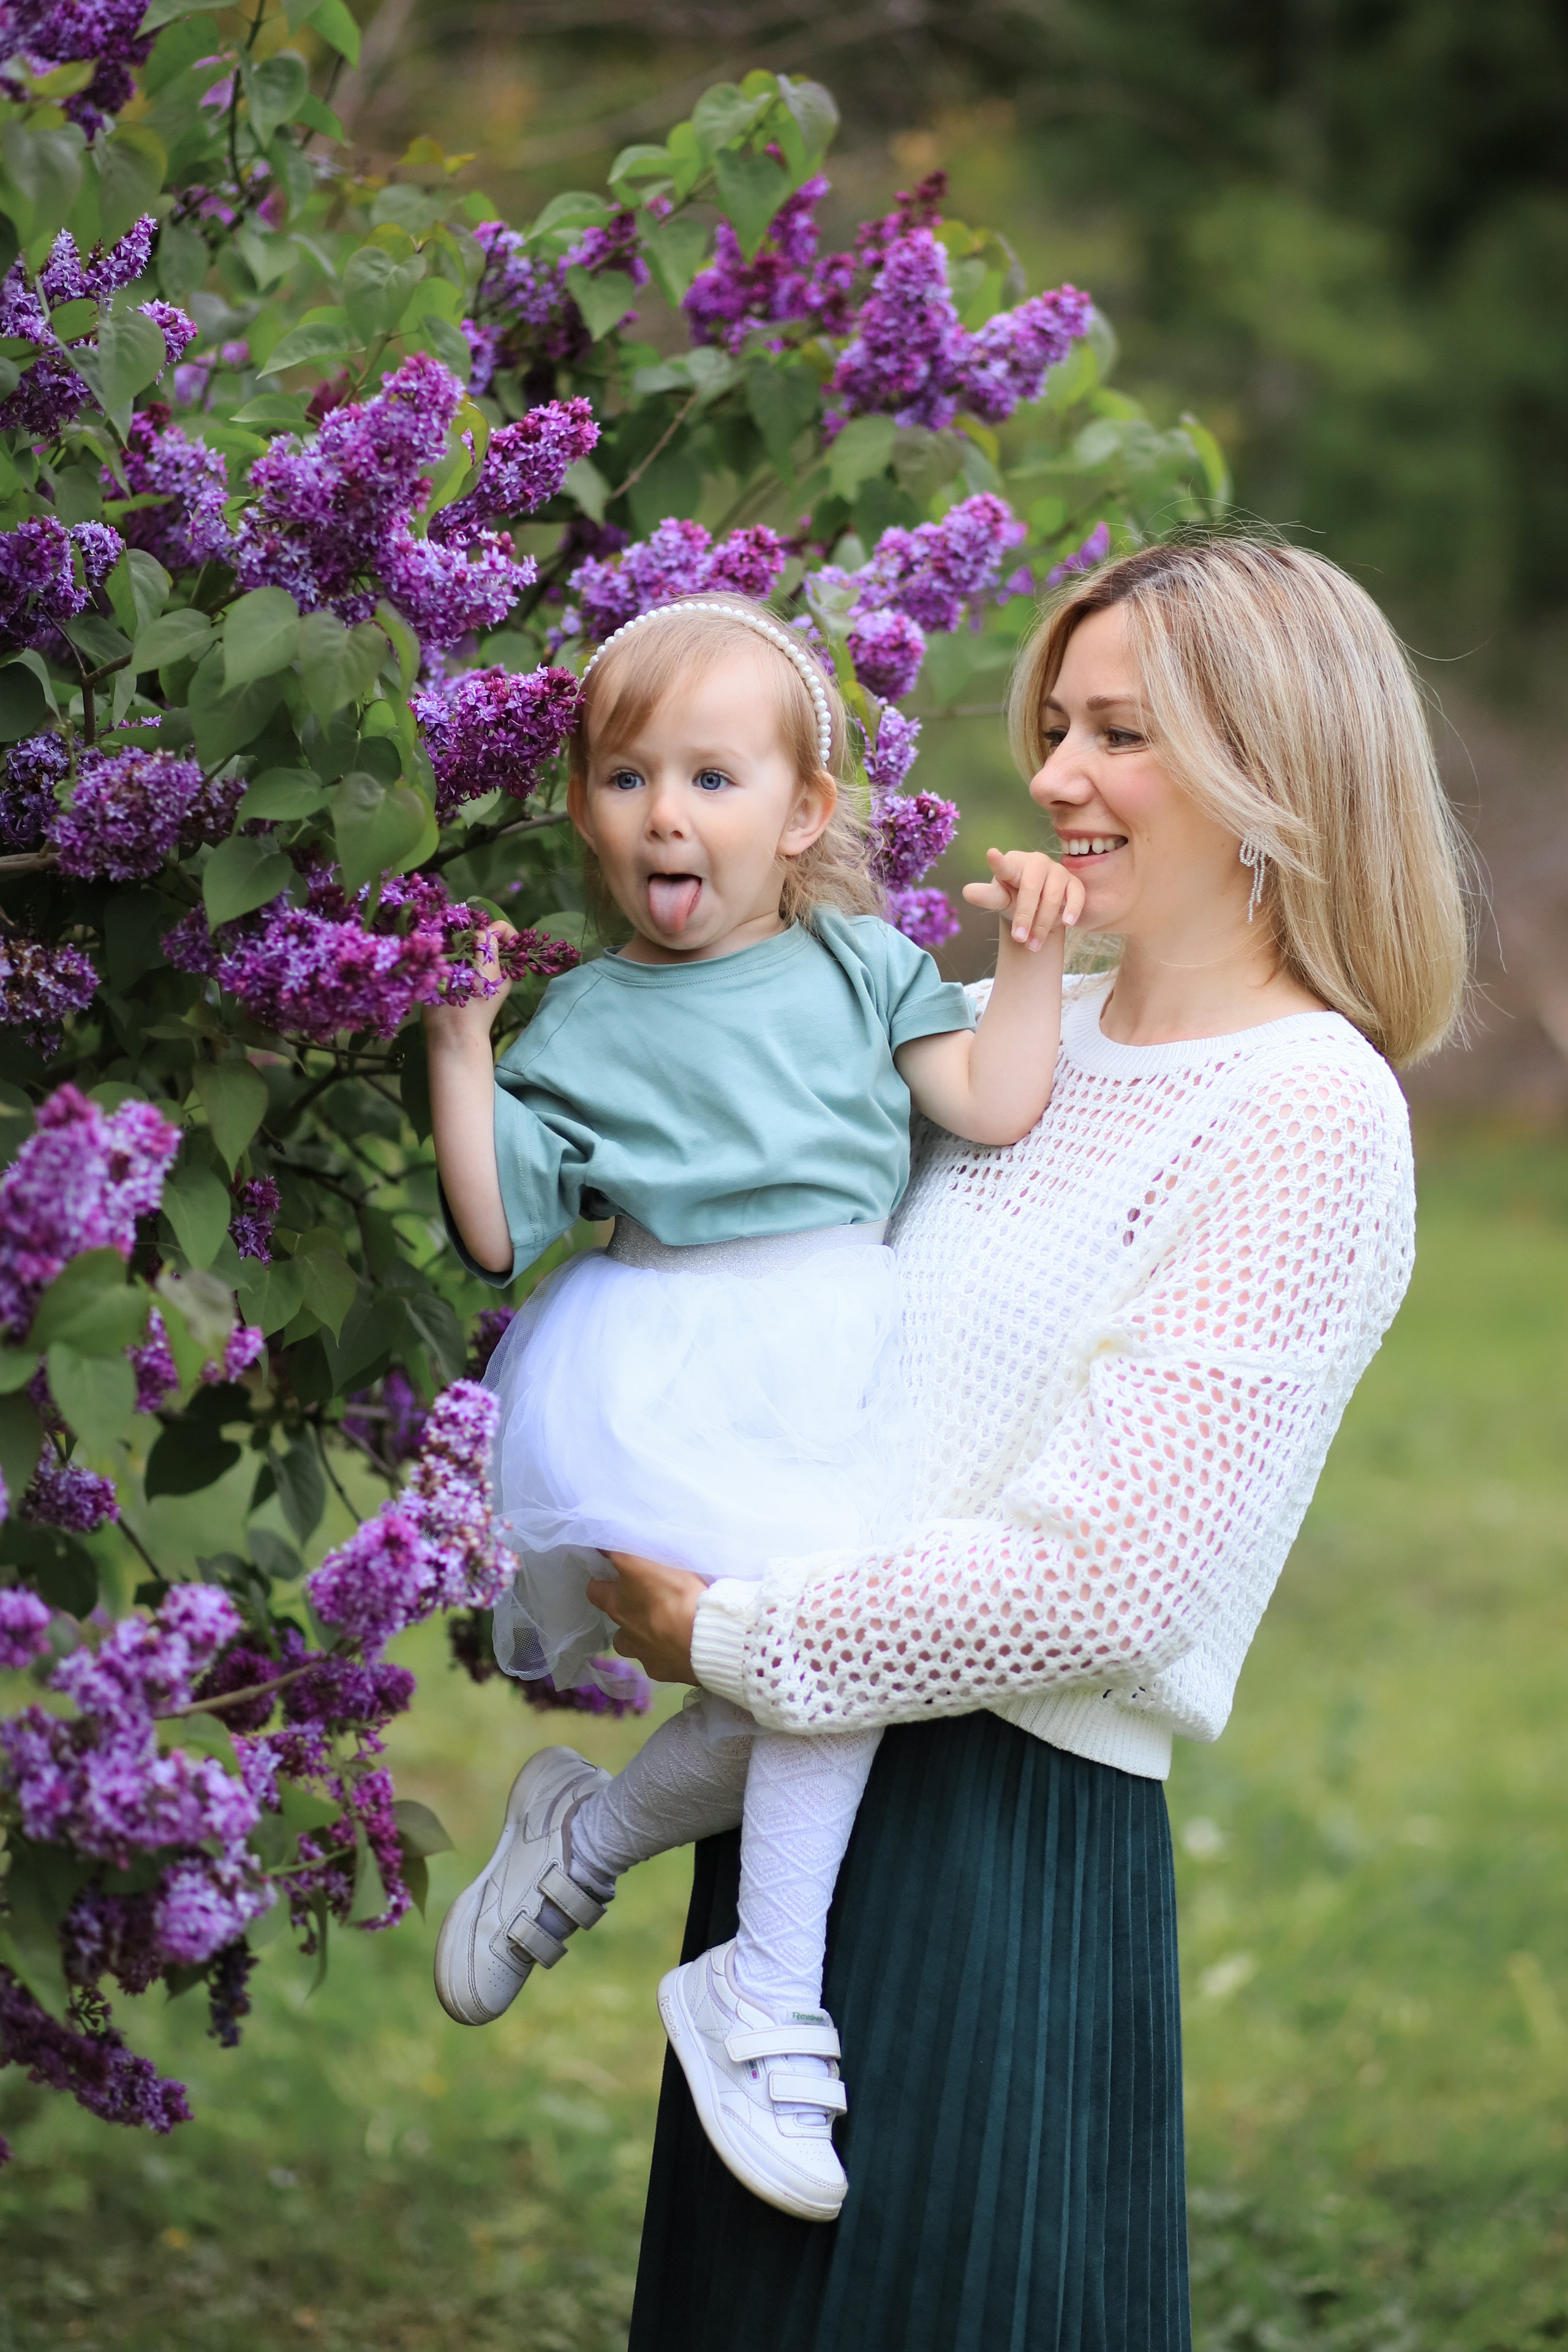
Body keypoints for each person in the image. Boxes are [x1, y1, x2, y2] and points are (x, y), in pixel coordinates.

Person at [586, 539, 1472, 2351]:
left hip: (996, 1840)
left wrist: (735, 1640)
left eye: (1122, 734)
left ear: (1272, 775)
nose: (1056, 775)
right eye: (1060, 724)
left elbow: (1117, 1582)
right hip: (795, 1798)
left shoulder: (1307, 1109)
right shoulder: (1013, 1037)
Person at [422, 594, 1081, 2223]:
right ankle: (765, 1990)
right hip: (668, 1357)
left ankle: (584, 1845)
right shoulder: (581, 1019)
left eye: (716, 779)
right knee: (820, 1659)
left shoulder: (866, 968)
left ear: (802, 817)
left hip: (844, 1343)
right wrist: (460, 1044)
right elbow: (498, 1230)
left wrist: (1035, 959)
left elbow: (995, 1105)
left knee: (816, 1662)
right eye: (631, 775)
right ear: (584, 808)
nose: (670, 811)